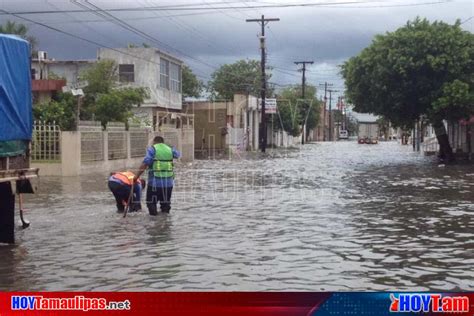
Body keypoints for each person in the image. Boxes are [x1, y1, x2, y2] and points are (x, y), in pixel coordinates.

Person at [134, 136, 180, 215]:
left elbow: (145, 164)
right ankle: (165, 223)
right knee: (165, 205)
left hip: (155, 183)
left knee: (151, 203)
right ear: (163, 142)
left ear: (154, 142)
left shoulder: (153, 149)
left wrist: (136, 176)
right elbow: (177, 155)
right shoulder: (170, 149)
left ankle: (154, 223)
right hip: (168, 183)